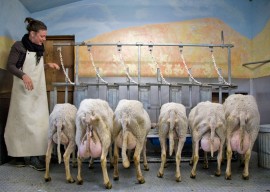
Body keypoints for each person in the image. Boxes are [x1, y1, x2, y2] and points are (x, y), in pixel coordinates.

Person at [4, 17, 60, 171]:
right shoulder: (19, 46)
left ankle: (39, 153)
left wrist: (47, 65)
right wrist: (24, 75)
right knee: (22, 124)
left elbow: (36, 67)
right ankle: (20, 156)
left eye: (45, 36)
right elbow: (10, 65)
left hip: (37, 93)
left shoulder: (39, 48)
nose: (44, 38)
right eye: (42, 36)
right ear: (33, 34)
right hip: (23, 92)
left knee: (40, 123)